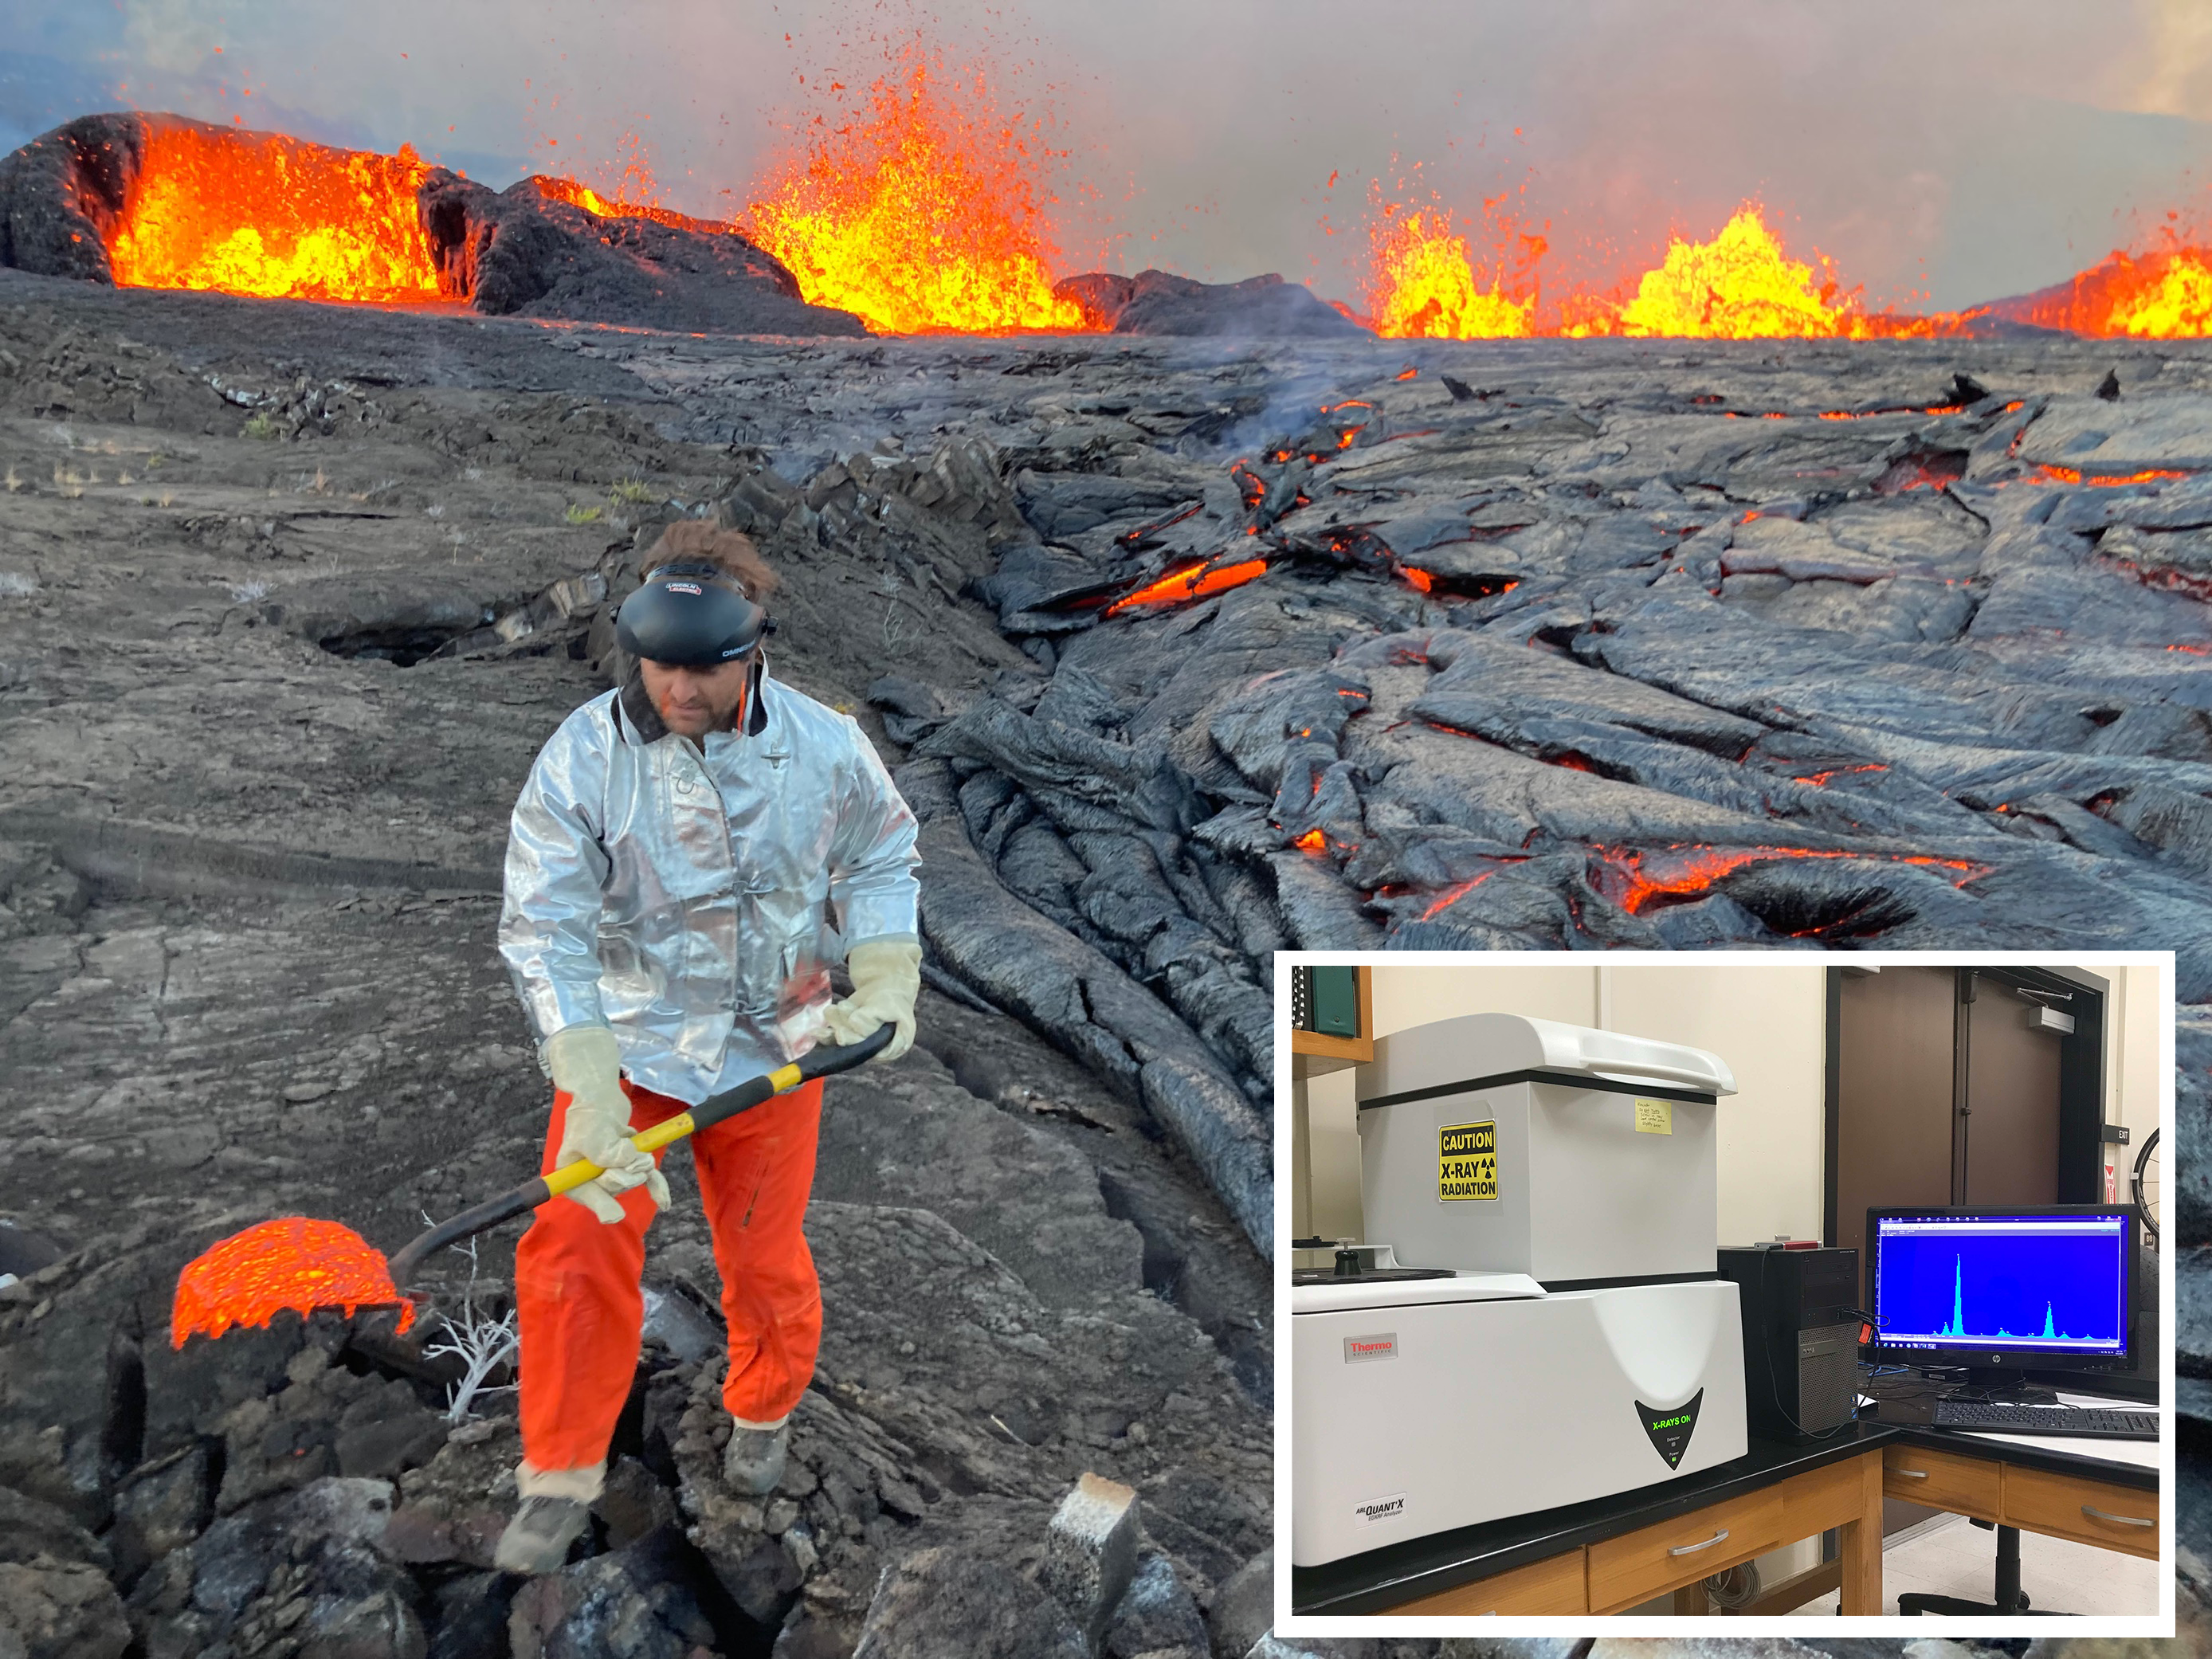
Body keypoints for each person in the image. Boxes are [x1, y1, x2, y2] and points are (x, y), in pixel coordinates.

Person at [489, 523, 922, 1575]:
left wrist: (889, 968)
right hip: (629, 1051)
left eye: (705, 665)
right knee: (573, 1240)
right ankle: (559, 1471)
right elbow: (545, 921)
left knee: (763, 1253)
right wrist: (585, 1077)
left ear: (751, 646)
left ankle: (763, 1406)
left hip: (775, 1045)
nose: (680, 687)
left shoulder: (822, 745)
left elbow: (879, 853)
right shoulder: (583, 758)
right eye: (660, 662)